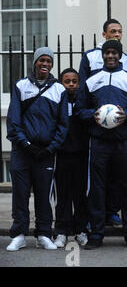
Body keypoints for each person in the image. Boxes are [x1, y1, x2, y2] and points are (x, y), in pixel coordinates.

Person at [75, 40, 127, 250]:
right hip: (98, 143)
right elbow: (80, 111)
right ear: (102, 55)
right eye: (107, 53)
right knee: (97, 189)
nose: (110, 56)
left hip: (124, 143)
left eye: (114, 53)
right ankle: (96, 235)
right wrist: (94, 114)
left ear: (119, 55)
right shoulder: (91, 81)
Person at [6, 47, 69, 251]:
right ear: (34, 62)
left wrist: (51, 148)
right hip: (22, 152)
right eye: (41, 60)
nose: (45, 64)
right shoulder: (20, 86)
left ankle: (43, 234)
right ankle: (19, 234)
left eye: (49, 61)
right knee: (20, 194)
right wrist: (26, 144)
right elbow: (13, 120)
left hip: (46, 153)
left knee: (44, 195)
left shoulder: (59, 89)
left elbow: (63, 124)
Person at [79, 18, 127, 228]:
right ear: (104, 34)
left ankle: (113, 212)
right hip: (97, 128)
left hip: (121, 130)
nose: (116, 34)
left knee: (118, 176)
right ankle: (95, 219)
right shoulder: (90, 57)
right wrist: (93, 114)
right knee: (97, 178)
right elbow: (84, 88)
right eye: (112, 31)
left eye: (119, 31)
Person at [53, 68, 89, 248]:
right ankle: (61, 231)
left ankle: (80, 230)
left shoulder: (83, 103)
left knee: (80, 195)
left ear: (79, 83)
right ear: (61, 84)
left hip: (81, 155)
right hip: (62, 156)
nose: (71, 84)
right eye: (67, 81)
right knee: (63, 195)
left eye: (74, 81)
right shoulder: (57, 103)